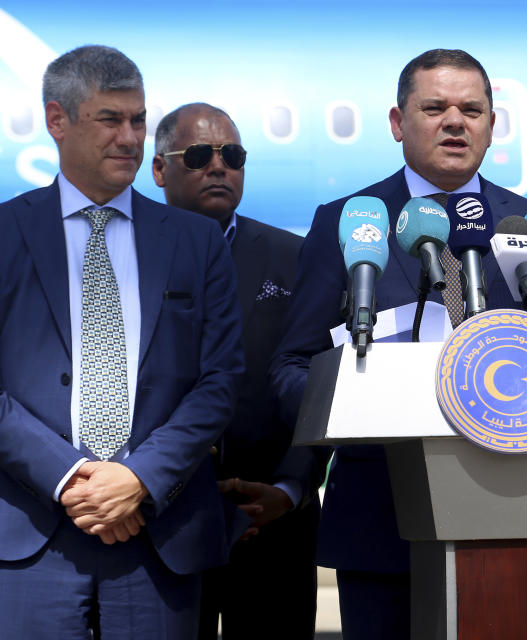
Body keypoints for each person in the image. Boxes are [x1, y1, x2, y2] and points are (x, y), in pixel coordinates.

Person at [269, 48, 527, 638]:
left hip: (517, 517)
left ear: (493, 124)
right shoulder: (347, 221)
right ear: (398, 122)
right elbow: (292, 367)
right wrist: (361, 407)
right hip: (380, 522)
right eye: (434, 107)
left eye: (472, 109)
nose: (455, 121)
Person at [0, 46, 243, 638]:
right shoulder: (5, 233)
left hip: (157, 533)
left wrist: (137, 479)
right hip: (32, 535)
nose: (130, 137)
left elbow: (220, 380)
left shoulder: (197, 242)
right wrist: (71, 478)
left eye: (137, 120)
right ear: (58, 121)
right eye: (110, 119)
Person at [152, 103, 316, 639]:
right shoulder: (121, 256)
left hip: (273, 525)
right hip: (156, 525)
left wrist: (289, 488)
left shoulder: (296, 258)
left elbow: (320, 381)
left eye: (233, 155)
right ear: (160, 170)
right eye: (199, 155)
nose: (219, 167)